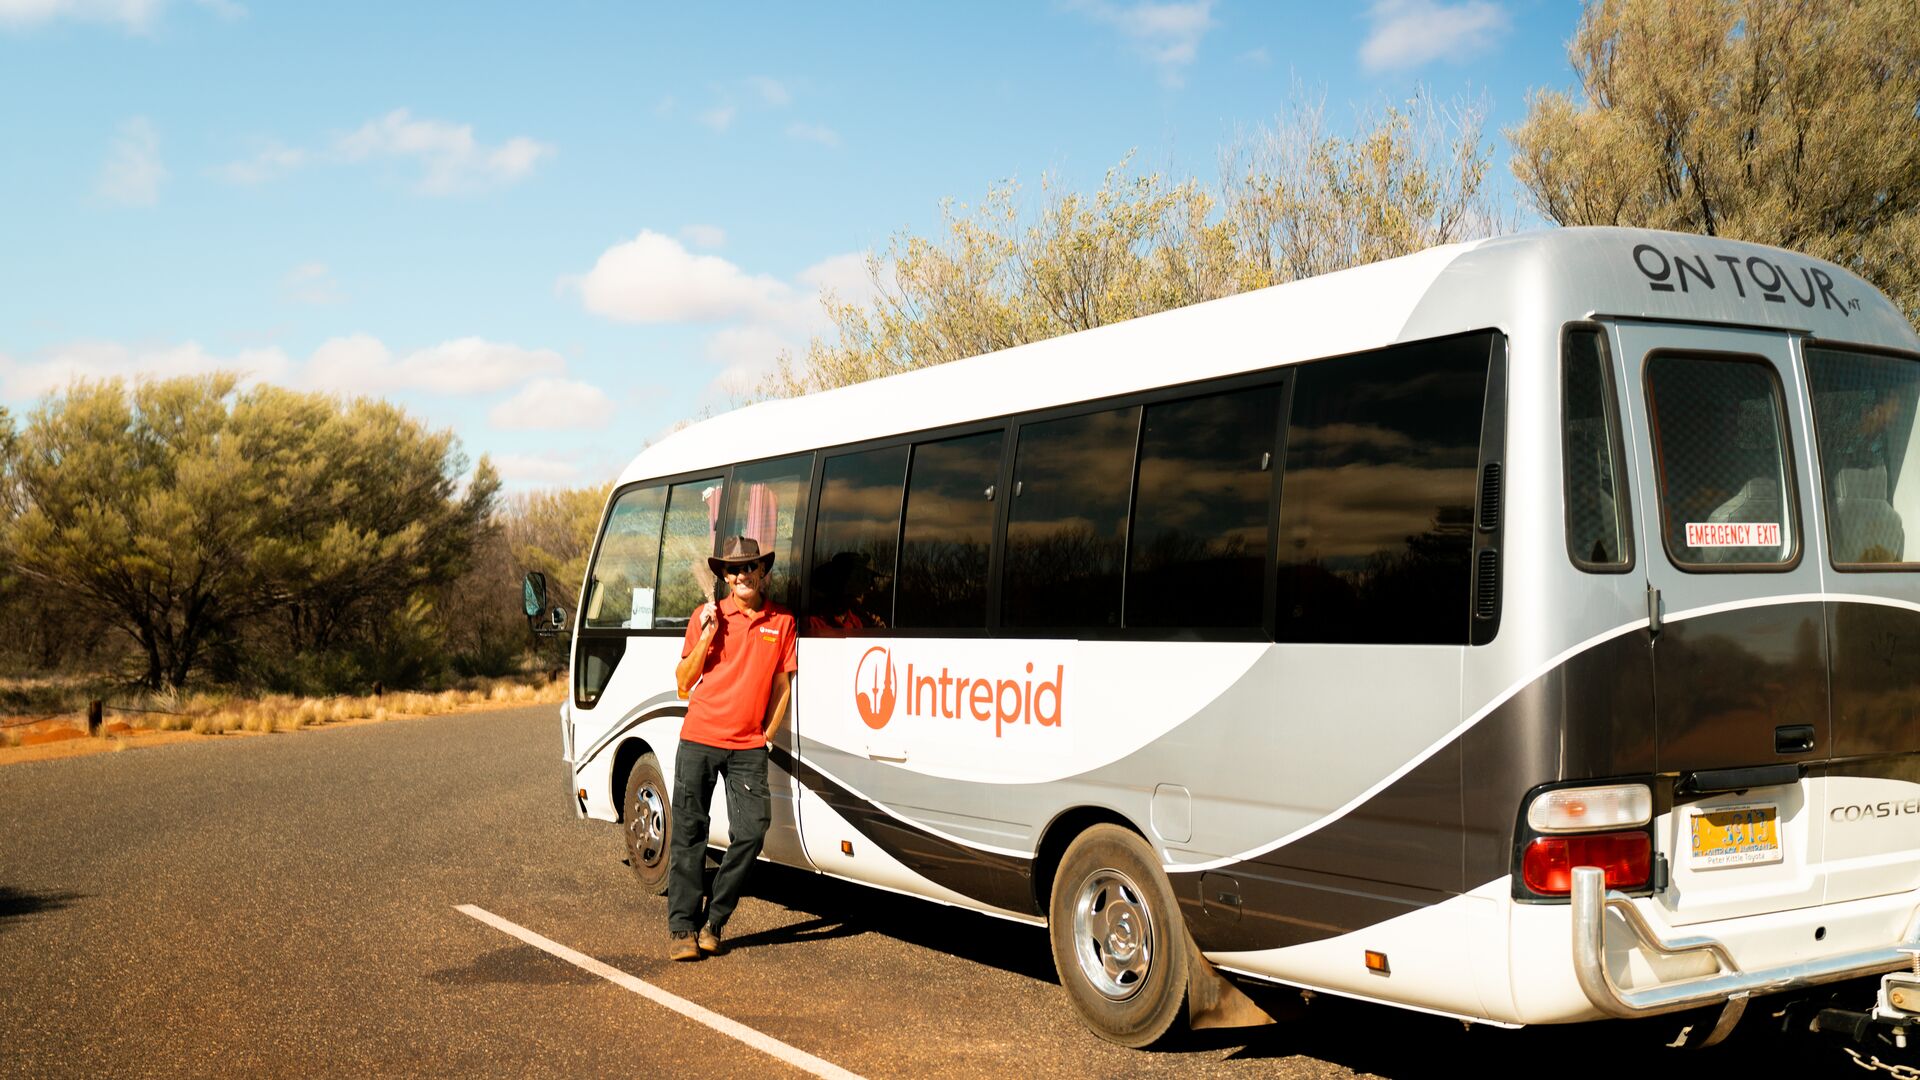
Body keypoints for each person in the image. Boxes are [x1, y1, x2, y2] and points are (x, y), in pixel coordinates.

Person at [667, 536, 797, 961]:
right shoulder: (707, 615)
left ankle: (715, 920)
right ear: (724, 575)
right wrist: (706, 635)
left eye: (750, 567)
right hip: (699, 738)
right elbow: (684, 682)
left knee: (752, 830)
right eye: (733, 569)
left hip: (748, 747)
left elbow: (782, 686)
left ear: (763, 572)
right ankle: (683, 929)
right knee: (689, 834)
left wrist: (768, 734)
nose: (742, 575)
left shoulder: (782, 622)